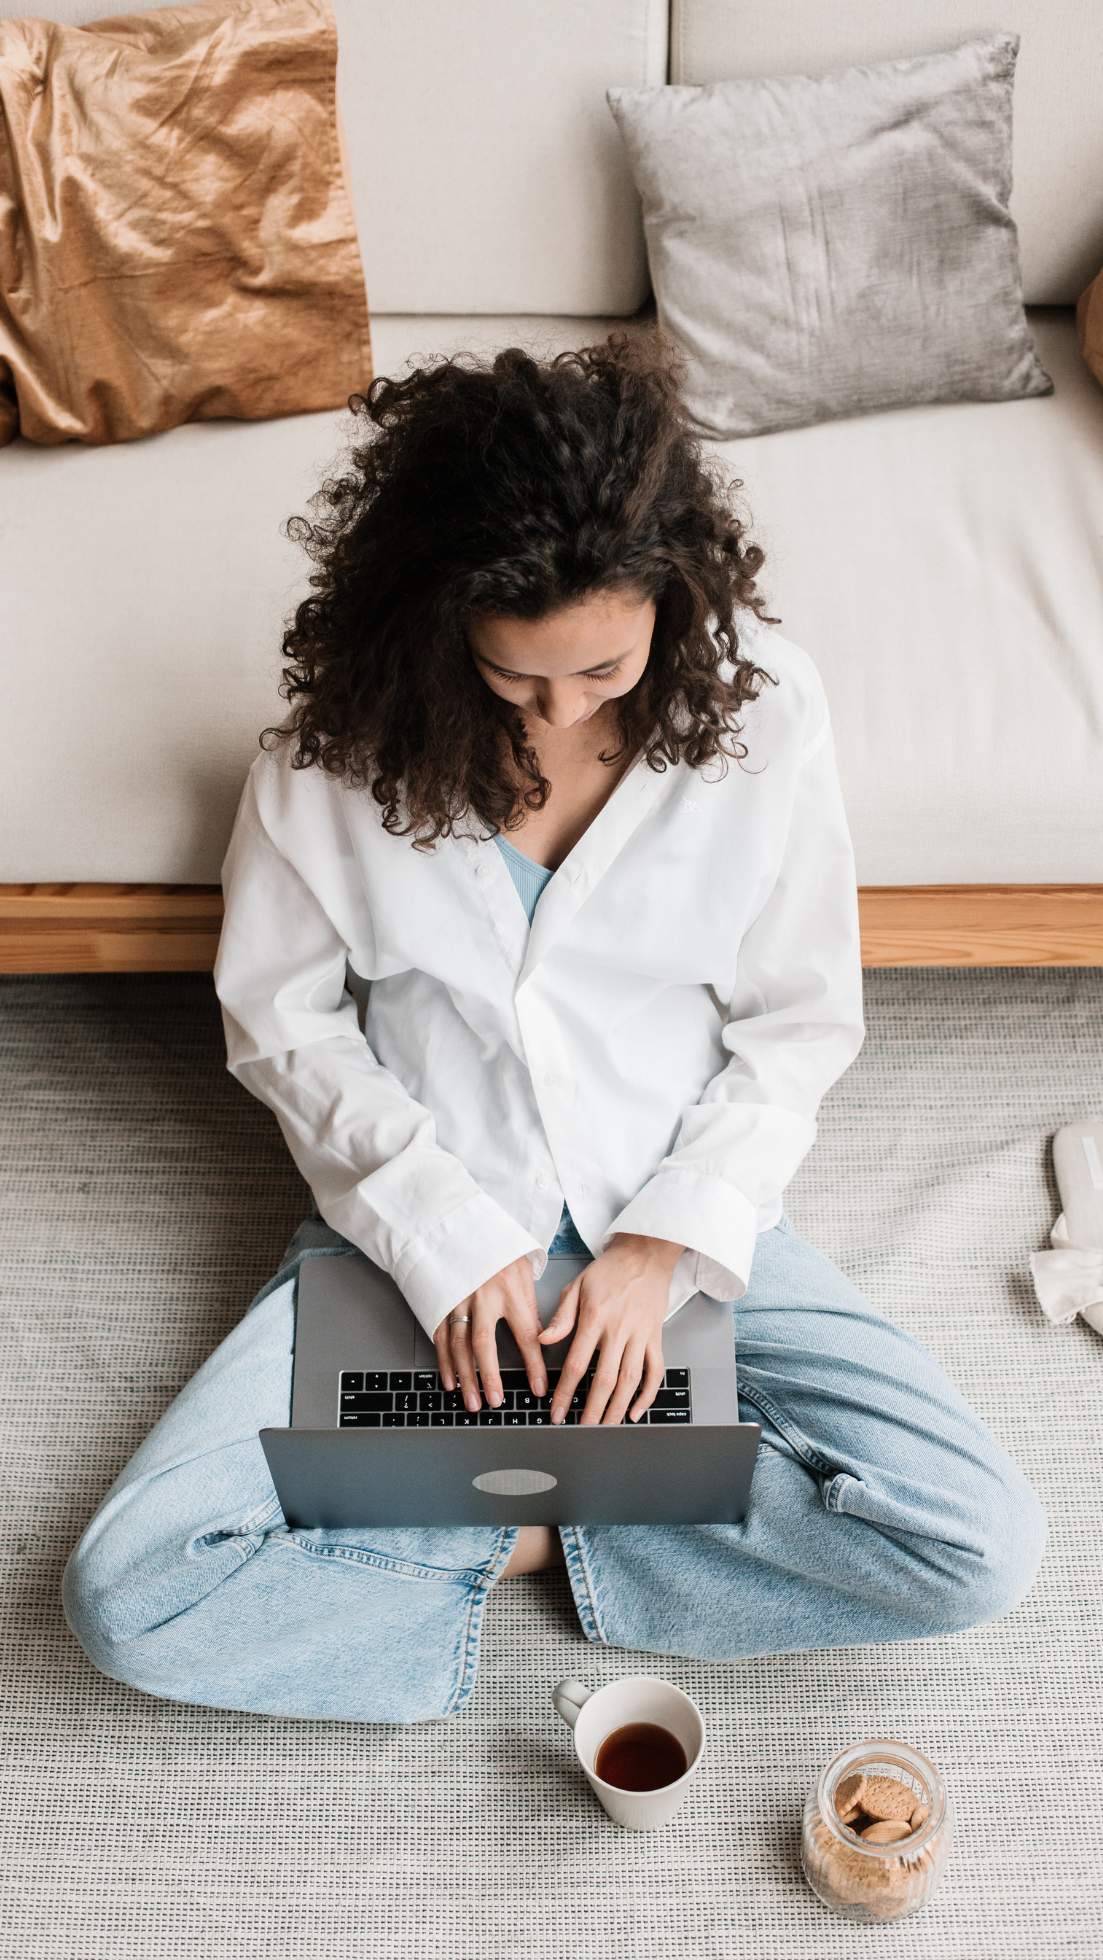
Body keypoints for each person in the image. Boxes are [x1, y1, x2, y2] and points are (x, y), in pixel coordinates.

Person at [63, 338, 1046, 1720]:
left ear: (672, 592)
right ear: (438, 617)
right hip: (424, 1225)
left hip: (680, 1213)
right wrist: (446, 1243)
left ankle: (519, 1529)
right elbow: (282, 1025)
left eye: (602, 666)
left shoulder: (767, 711)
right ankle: (561, 1516)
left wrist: (655, 1251)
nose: (566, 711)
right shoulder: (325, 760)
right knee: (131, 1595)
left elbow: (799, 1018)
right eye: (517, 678)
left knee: (976, 1546)